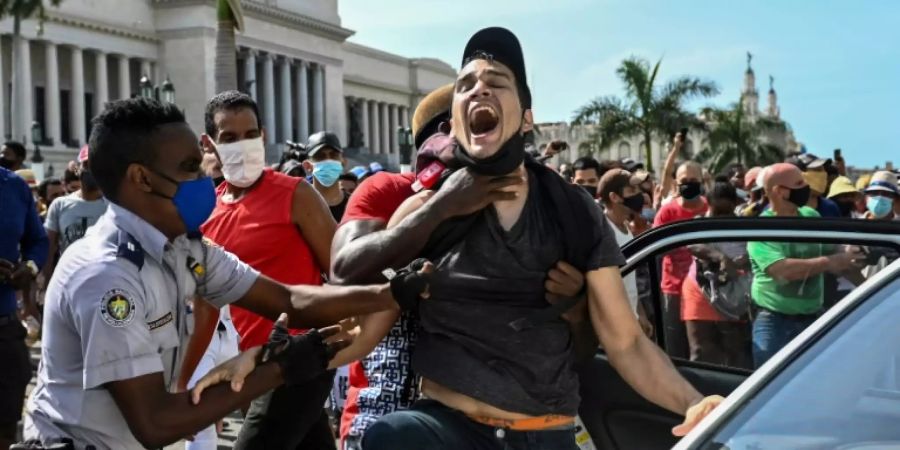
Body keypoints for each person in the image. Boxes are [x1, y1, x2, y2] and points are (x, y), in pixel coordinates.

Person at [362, 27, 722, 450]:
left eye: (496, 82)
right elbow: (364, 322)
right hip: (446, 430)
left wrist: (696, 404)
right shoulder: (425, 211)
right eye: (465, 86)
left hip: (543, 434)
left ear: (527, 118)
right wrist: (281, 362)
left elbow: (625, 341)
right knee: (392, 437)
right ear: (454, 120)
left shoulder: (573, 212)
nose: (479, 91)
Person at [22, 97, 424, 450]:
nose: (203, 178)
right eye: (189, 167)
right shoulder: (106, 276)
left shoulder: (186, 248)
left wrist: (391, 294)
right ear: (141, 178)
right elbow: (155, 423)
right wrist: (279, 369)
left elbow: (289, 300)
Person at [333, 82, 589, 449]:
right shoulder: (391, 192)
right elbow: (346, 275)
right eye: (458, 127)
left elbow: (569, 348)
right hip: (387, 406)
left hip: (492, 423)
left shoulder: (537, 219)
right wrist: (441, 208)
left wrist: (575, 304)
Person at [193, 90, 340, 449]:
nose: (242, 145)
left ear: (263, 134)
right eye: (229, 138)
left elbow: (342, 273)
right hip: (247, 367)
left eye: (250, 134)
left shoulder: (296, 195)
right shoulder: (206, 213)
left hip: (300, 358)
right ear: (208, 144)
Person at [748, 163, 863, 367]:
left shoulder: (811, 217)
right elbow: (782, 271)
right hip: (774, 321)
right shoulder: (761, 229)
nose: (806, 187)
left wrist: (849, 256)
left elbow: (832, 250)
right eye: (799, 183)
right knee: (769, 385)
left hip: (812, 318)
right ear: (780, 191)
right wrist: (830, 262)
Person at [0, 165, 48, 450]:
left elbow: (38, 240)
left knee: (6, 427)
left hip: (4, 331)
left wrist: (27, 268)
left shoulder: (13, 186)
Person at [682, 178, 752, 369]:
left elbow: (754, 252)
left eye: (726, 211)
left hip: (735, 292)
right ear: (708, 203)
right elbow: (693, 245)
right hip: (701, 289)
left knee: (735, 351)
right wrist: (720, 257)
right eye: (717, 211)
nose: (721, 217)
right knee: (700, 351)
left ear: (735, 205)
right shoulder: (700, 222)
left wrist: (745, 260)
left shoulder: (744, 225)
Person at [652, 160, 708, 359]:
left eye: (694, 180)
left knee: (701, 350)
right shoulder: (667, 212)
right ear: (676, 183)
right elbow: (655, 247)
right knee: (674, 350)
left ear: (702, 181)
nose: (689, 184)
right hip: (673, 289)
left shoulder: (710, 210)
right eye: (684, 180)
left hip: (704, 292)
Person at [41, 146, 109, 284]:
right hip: (68, 280)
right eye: (86, 165)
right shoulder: (59, 205)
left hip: (105, 279)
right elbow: (48, 248)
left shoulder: (115, 205)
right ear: (78, 169)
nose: (92, 170)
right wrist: (47, 283)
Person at [304, 131, 350, 222]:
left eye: (333, 155)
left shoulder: (353, 204)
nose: (328, 160)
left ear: (343, 162)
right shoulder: (299, 205)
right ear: (307, 166)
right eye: (320, 156)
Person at [788, 153, 841, 218]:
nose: (824, 174)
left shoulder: (830, 207)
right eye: (817, 170)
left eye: (824, 170)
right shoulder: (784, 207)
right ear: (799, 174)